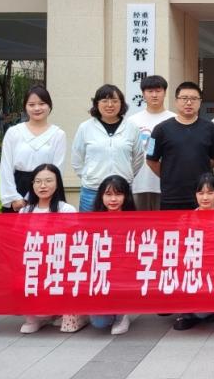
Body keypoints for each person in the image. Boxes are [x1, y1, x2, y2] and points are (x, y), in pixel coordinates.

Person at [18, 163, 85, 334]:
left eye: (48, 181)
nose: (43, 185)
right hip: (33, 264)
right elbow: (18, 242)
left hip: (59, 264)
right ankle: (33, 318)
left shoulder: (66, 209)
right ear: (32, 184)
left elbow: (74, 243)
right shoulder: (25, 211)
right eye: (38, 181)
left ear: (57, 183)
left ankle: (65, 313)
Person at [146, 82, 214, 211]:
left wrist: (200, 169)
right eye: (184, 98)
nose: (189, 102)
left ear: (200, 102)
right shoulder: (161, 129)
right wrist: (168, 174)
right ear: (176, 101)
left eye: (194, 99)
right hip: (172, 196)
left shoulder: (210, 128)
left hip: (202, 196)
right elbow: (151, 160)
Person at [71, 84, 145, 212]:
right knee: (89, 224)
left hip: (121, 191)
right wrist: (89, 176)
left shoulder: (131, 127)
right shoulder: (85, 127)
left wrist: (125, 174)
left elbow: (138, 157)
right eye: (105, 101)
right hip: (92, 190)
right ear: (97, 103)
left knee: (121, 225)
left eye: (115, 101)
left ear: (121, 104)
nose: (110, 105)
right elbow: (77, 158)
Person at [0, 85, 67, 212]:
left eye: (42, 104)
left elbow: (58, 170)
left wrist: (31, 197)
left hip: (46, 190)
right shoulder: (14, 132)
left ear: (49, 106)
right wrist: (13, 198)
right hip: (17, 189)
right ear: (25, 107)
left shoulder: (58, 134)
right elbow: (6, 167)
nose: (37, 108)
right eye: (31, 104)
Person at [171, 174, 214, 331]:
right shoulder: (186, 219)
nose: (205, 197)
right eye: (201, 193)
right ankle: (188, 314)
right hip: (191, 270)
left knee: (203, 311)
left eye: (210, 193)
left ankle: (208, 311)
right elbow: (178, 250)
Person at [89, 175, 137, 335]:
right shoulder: (92, 221)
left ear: (126, 196)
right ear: (101, 196)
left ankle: (123, 314)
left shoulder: (136, 220)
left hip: (125, 274)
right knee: (99, 322)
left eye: (118, 194)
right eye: (108, 194)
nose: (113, 199)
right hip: (102, 273)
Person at [127, 75, 175, 211]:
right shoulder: (132, 121)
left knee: (164, 222)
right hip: (138, 183)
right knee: (139, 222)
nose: (154, 95)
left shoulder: (175, 119)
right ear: (143, 94)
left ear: (165, 92)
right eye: (150, 91)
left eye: (158, 91)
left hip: (166, 184)